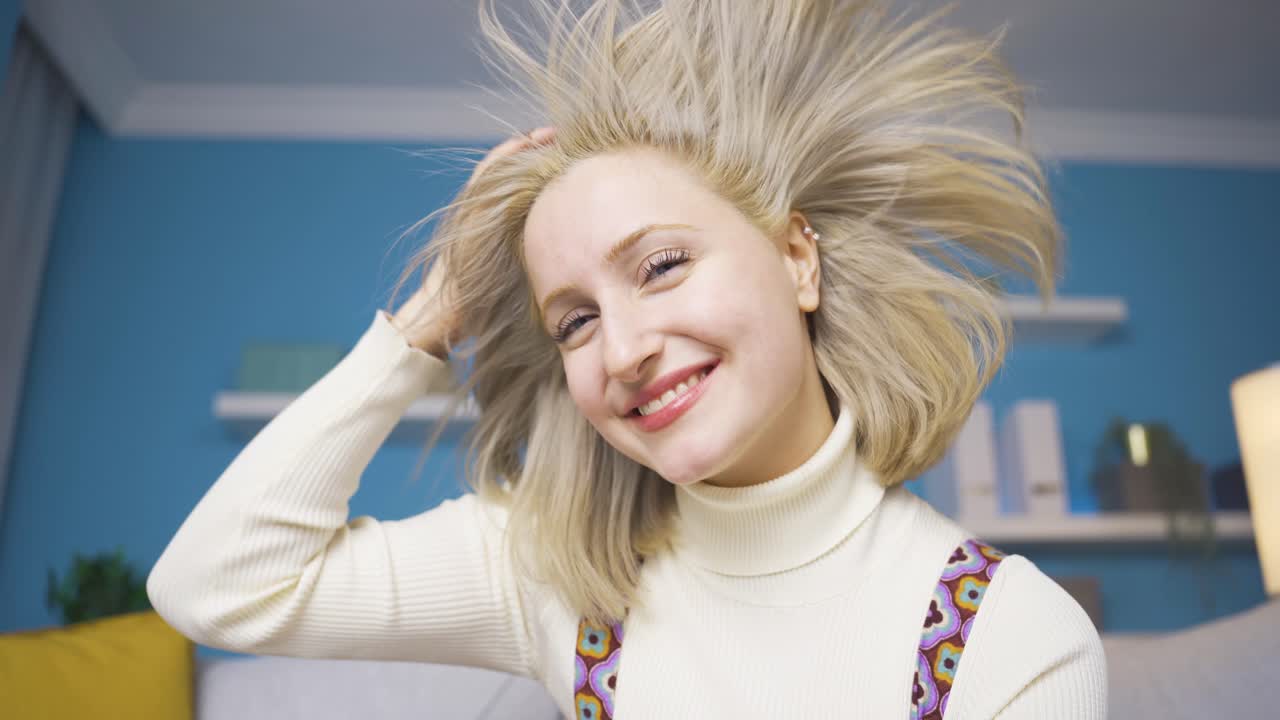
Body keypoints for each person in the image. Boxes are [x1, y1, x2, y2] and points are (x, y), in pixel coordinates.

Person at [147, 1, 1107, 718]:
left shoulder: (1009, 637)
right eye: (573, 322)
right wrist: (432, 318)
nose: (624, 349)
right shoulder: (552, 576)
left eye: (661, 265)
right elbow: (215, 585)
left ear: (795, 257)